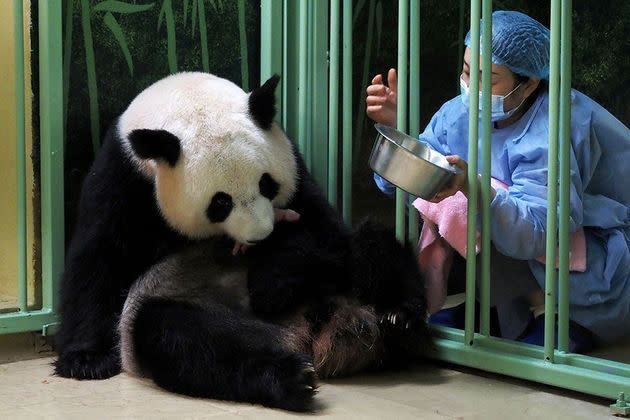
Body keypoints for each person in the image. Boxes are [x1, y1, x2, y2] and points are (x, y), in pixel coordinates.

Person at [365, 10, 630, 351]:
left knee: (489, 200)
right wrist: (400, 135)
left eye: (488, 78)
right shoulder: (458, 112)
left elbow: (542, 231)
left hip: (597, 249)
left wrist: (473, 187)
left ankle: (571, 320)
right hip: (524, 251)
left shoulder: (556, 127)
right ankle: (495, 310)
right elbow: (424, 184)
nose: (471, 86)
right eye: (465, 70)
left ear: (530, 82)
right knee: (468, 203)